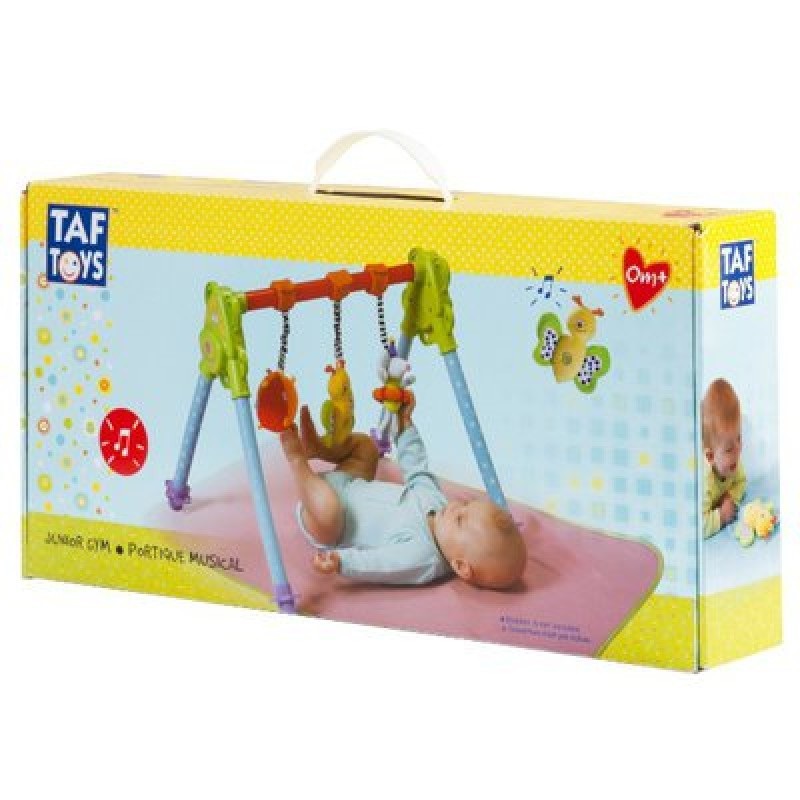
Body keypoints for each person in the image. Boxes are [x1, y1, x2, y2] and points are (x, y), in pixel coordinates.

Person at [280, 394, 527, 588]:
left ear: (460, 565)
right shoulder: (437, 503)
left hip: (329, 523)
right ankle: (318, 448)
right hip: (350, 483)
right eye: (465, 505)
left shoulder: (422, 557)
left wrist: (341, 561)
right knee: (366, 448)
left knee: (329, 509)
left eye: (460, 520)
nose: (455, 507)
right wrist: (406, 425)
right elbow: (416, 467)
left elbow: (381, 565)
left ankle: (297, 461)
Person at [701, 378, 746, 538]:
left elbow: (741, 481)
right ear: (710, 456)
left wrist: (730, 498)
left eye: (739, 438)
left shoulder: (733, 462)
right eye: (729, 449)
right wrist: (721, 516)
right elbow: (698, 525)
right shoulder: (704, 483)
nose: (738, 450)